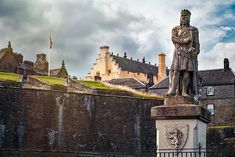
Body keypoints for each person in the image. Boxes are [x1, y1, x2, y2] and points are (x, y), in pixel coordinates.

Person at [167, 9, 200, 97]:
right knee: (176, 71)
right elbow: (174, 38)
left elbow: (197, 44)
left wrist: (196, 52)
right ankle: (173, 90)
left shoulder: (194, 30)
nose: (184, 18)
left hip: (188, 53)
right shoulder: (175, 29)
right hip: (178, 53)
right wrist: (185, 40)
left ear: (189, 18)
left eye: (186, 17)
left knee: (187, 72)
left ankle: (184, 91)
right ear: (180, 18)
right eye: (182, 16)